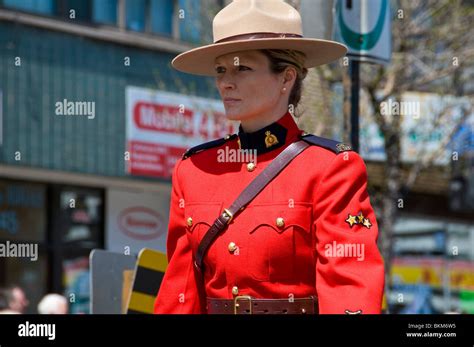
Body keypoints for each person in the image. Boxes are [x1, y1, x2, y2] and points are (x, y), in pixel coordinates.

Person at [154, 0, 384, 314]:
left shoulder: (330, 168)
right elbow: (181, 290)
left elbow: (349, 286)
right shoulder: (193, 169)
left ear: (286, 78)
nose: (225, 82)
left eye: (242, 68)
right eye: (221, 70)